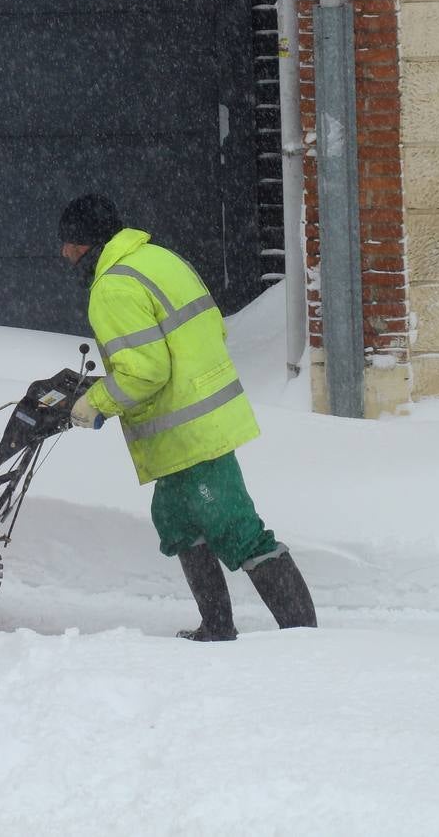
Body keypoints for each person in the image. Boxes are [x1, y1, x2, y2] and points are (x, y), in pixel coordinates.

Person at [59, 193, 317, 641]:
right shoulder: (158, 259)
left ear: (89, 243)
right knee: (175, 519)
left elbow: (145, 370)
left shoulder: (112, 287)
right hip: (203, 417)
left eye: (68, 244)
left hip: (189, 431)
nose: (63, 254)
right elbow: (209, 327)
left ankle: (304, 636)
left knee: (237, 529)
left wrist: (96, 403)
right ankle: (215, 627)